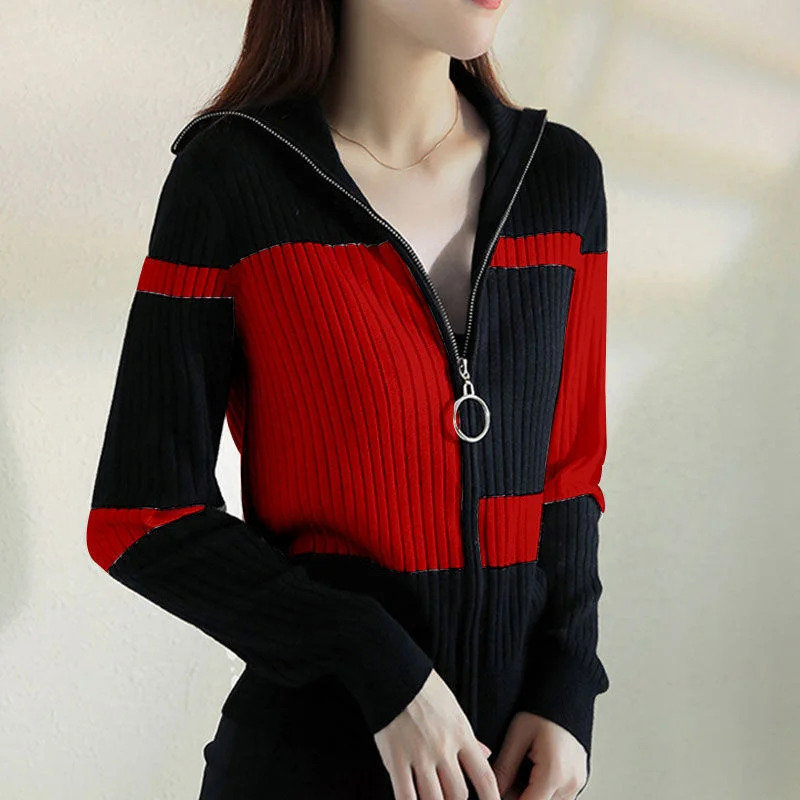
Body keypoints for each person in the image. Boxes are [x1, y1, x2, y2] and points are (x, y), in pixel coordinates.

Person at [85, 1, 611, 798]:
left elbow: (566, 476)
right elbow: (140, 515)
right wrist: (375, 659)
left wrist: (567, 682)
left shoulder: (558, 179)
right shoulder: (232, 179)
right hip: (303, 767)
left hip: (507, 770)